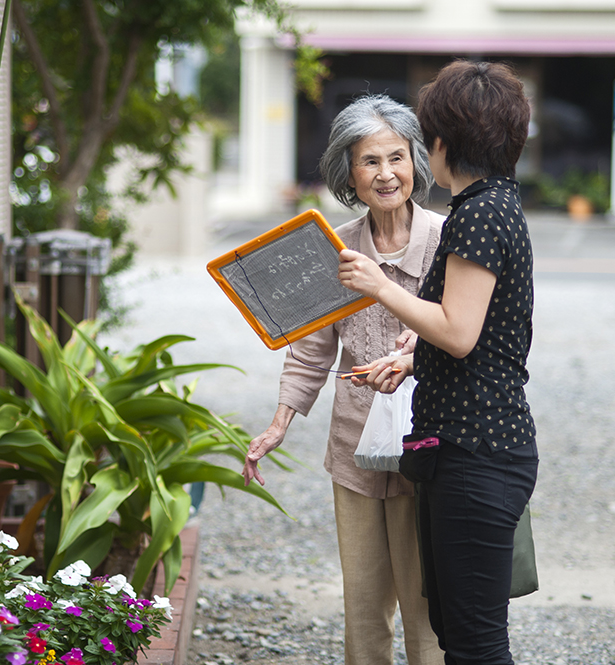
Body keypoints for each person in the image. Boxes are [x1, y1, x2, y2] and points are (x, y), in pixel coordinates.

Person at [337, 61, 538, 665]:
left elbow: (459, 332)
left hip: (478, 453)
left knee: (475, 646)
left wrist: (379, 286)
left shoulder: (476, 214)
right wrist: (412, 354)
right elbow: (470, 329)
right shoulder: (496, 203)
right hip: (473, 447)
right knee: (459, 634)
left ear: (444, 144)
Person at [242, 94, 445, 665]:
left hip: (426, 446)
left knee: (427, 611)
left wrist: (413, 355)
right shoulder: (333, 247)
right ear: (348, 173)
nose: (386, 174)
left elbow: (459, 332)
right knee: (362, 608)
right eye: (370, 161)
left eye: (397, 158)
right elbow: (309, 350)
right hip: (355, 448)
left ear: (416, 164)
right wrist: (279, 424)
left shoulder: (446, 242)